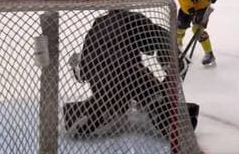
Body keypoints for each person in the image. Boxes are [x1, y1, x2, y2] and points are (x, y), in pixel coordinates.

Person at [63, 8, 199, 138]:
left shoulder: (97, 26)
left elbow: (83, 72)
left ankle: (78, 113)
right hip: (130, 76)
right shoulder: (133, 20)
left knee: (110, 102)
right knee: (154, 96)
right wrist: (171, 62)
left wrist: (80, 69)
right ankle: (165, 117)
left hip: (102, 82)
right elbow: (158, 38)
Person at [175, 0, 221, 65]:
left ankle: (209, 54)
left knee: (197, 29)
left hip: (203, 6)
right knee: (180, 29)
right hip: (187, 8)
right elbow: (186, 6)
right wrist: (192, 12)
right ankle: (177, 45)